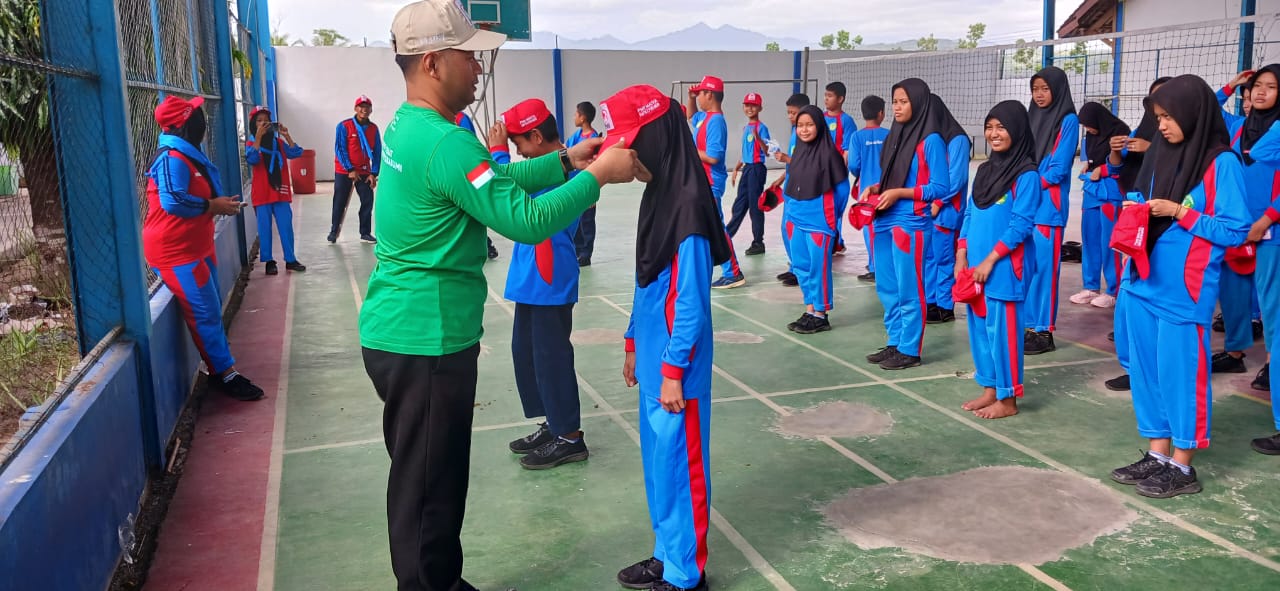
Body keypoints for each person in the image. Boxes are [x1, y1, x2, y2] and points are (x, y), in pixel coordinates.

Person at [362, 3, 642, 589]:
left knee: (436, 476)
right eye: (470, 55)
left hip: (411, 331)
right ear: (435, 63)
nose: (479, 67)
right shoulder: (446, 144)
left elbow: (494, 183)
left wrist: (564, 160)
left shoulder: (415, 129)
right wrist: (597, 176)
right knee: (426, 486)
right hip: (425, 339)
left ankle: (440, 578)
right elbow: (527, 221)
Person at [607, 84, 728, 591]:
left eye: (632, 139)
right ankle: (665, 552)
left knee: (682, 466)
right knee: (660, 462)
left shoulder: (688, 208)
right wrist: (635, 342)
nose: (626, 151)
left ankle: (685, 573)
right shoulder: (657, 196)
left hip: (678, 368)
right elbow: (646, 280)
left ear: (656, 136)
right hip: (657, 359)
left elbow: (691, 305)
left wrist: (674, 369)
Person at [1108, 74, 1249, 498]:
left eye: (1168, 117)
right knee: (1147, 373)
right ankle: (1157, 452)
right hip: (1142, 280)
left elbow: (1235, 229)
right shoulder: (1159, 157)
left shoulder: (1220, 162)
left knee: (1181, 376)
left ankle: (1183, 466)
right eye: (1158, 117)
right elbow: (1139, 202)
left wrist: (1179, 213)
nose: (1162, 126)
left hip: (1184, 289)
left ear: (1193, 112)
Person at [486, 98, 590, 470]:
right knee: (526, 354)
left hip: (549, 278)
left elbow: (507, 190)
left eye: (519, 147)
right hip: (530, 279)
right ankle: (553, 423)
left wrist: (498, 156)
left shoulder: (568, 170)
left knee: (551, 358)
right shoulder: (545, 167)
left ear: (534, 135)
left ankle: (570, 437)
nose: (518, 155)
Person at [143, 95, 264, 402]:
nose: (203, 121)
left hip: (195, 245)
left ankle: (221, 367)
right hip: (176, 252)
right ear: (185, 123)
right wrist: (212, 205)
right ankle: (225, 374)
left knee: (209, 307)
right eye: (196, 115)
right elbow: (172, 200)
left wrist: (217, 206)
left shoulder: (188, 155)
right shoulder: (172, 158)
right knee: (205, 313)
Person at [955, 100, 1041, 420]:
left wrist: (991, 260)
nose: (994, 134)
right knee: (979, 328)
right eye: (990, 127)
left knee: (1003, 333)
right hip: (975, 264)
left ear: (1017, 130)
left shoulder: (1026, 175)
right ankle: (990, 388)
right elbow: (969, 214)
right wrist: (963, 254)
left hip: (1004, 267)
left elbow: (1021, 225)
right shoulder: (984, 171)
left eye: (1001, 127)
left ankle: (1008, 398)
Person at [860, 78, 950, 370]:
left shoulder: (931, 140)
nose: (897, 107)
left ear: (918, 103)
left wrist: (901, 193)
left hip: (910, 222)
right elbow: (894, 175)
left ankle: (910, 349)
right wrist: (876, 187)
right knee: (887, 287)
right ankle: (895, 341)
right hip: (885, 219)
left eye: (904, 102)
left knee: (910, 288)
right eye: (895, 101)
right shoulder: (895, 136)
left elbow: (940, 187)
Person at [1105, 76, 1172, 393]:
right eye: (1156, 109)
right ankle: (1134, 367)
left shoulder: (1192, 152)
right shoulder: (1142, 133)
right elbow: (1118, 170)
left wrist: (1151, 149)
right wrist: (1117, 150)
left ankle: (1153, 371)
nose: (1160, 118)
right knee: (1128, 299)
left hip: (1164, 233)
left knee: (1157, 307)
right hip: (1135, 223)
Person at [1227, 66, 1280, 454]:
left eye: (1271, 87)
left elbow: (1262, 160)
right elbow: (1200, 109)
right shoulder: (1240, 127)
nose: (1260, 93)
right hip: (1249, 236)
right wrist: (1231, 85)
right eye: (1256, 86)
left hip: (1271, 235)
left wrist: (1266, 219)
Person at [1024, 66, 1079, 355]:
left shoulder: (1067, 120)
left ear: (1057, 89)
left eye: (1045, 88)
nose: (1040, 94)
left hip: (1048, 208)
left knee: (1045, 270)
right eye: (1035, 89)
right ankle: (1028, 325)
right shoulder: (1031, 118)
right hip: (1026, 207)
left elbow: (1058, 169)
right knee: (1027, 267)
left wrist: (1027, 184)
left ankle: (1044, 331)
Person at [783, 105, 848, 334]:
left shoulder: (830, 155)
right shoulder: (799, 151)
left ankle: (821, 313)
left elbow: (841, 190)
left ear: (819, 126)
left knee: (818, 268)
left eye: (809, 125)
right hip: (796, 218)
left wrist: (831, 218)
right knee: (801, 266)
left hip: (819, 222)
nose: (804, 130)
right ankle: (810, 308)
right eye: (800, 125)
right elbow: (791, 182)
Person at [686, 75, 745, 289]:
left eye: (700, 93)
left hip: (711, 182)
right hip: (702, 181)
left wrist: (688, 149)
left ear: (709, 94)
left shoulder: (716, 121)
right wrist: (691, 98)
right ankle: (722, 267)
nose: (698, 97)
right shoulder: (704, 117)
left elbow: (713, 157)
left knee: (717, 227)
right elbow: (691, 116)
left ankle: (733, 271)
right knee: (709, 225)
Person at [1069, 102, 1128, 308]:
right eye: (1084, 126)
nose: (1088, 129)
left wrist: (1103, 170)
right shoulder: (1090, 137)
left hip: (1110, 193)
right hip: (1091, 193)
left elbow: (1125, 162)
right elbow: (1091, 159)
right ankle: (1090, 286)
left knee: (1109, 242)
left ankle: (1113, 289)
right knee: (1090, 240)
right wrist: (1088, 165)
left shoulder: (1121, 132)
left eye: (1089, 125)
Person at [923, 94, 971, 325]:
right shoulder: (933, 140)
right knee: (930, 257)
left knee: (943, 259)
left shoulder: (958, 140)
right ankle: (931, 301)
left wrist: (938, 202)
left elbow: (956, 178)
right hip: (930, 210)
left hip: (947, 211)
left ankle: (944, 306)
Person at [245, 106, 306, 276]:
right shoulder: (251, 144)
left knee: (286, 226)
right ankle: (269, 261)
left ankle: (290, 259)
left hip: (280, 192)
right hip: (262, 193)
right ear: (253, 124)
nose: (263, 123)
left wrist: (286, 135)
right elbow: (252, 158)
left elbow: (296, 153)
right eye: (259, 121)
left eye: (266, 120)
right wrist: (258, 138)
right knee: (264, 228)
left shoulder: (278, 143)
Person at [847, 95, 890, 283]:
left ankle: (874, 267)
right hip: (888, 189)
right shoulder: (889, 134)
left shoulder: (856, 137)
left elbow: (854, 165)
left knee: (870, 228)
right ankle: (885, 266)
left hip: (866, 191)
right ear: (881, 113)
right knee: (887, 228)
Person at [770, 93, 812, 288]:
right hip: (789, 186)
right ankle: (795, 266)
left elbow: (806, 163)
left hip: (800, 190)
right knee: (786, 229)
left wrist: (785, 158)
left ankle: (802, 269)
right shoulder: (795, 133)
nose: (790, 116)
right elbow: (792, 165)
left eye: (793, 113)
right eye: (788, 113)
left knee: (795, 230)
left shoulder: (808, 136)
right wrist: (780, 179)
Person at [328, 95, 381, 244]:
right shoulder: (344, 126)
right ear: (356, 109)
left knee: (367, 200)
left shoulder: (373, 128)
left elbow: (377, 151)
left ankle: (365, 232)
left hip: (364, 170)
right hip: (345, 170)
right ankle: (333, 230)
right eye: (361, 107)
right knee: (340, 200)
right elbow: (340, 148)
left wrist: (373, 173)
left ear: (371, 110)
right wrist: (350, 168)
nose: (364, 110)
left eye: (367, 107)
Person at [728, 92, 771, 256]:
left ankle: (758, 242)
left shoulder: (762, 128)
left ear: (760, 107)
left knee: (755, 206)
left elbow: (767, 151)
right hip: (747, 169)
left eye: (753, 105)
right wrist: (736, 168)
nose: (749, 108)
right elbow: (745, 151)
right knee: (739, 204)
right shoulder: (746, 128)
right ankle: (727, 235)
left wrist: (758, 138)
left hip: (757, 169)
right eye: (747, 105)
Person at [824, 82, 858, 255]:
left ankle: (835, 242)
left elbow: (847, 152)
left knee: (835, 211)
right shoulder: (819, 118)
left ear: (840, 99)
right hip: (821, 176)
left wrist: (838, 172)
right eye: (825, 95)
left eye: (830, 96)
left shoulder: (847, 121)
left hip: (837, 176)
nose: (826, 99)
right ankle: (832, 242)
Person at [568, 101, 601, 266]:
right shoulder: (576, 136)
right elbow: (566, 149)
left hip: (587, 187)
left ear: (583, 117)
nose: (574, 116)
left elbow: (596, 166)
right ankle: (578, 250)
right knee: (577, 220)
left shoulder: (594, 138)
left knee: (587, 222)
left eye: (576, 114)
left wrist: (593, 190)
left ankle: (586, 254)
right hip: (575, 186)